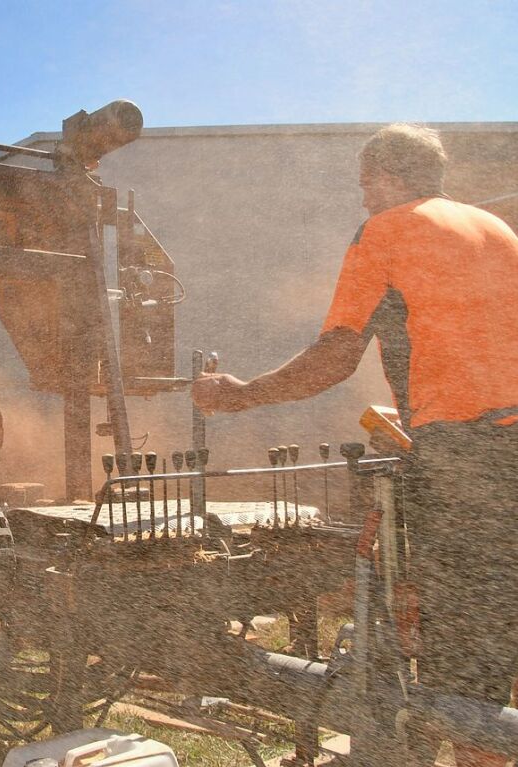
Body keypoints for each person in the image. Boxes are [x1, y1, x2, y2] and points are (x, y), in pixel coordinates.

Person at [192, 123, 518, 766]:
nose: (363, 196)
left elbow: (337, 355)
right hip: (506, 440)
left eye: (366, 182)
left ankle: (462, 750)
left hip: (466, 453)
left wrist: (241, 395)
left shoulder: (388, 229)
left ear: (387, 176)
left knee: (458, 624)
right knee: (496, 609)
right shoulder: (495, 230)